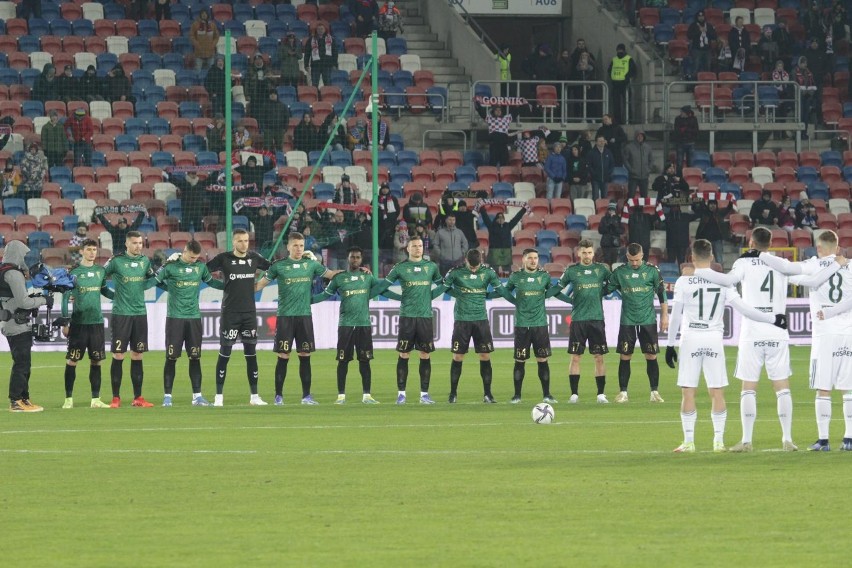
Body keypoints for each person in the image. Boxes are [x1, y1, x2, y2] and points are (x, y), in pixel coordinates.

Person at [693, 228, 841, 451]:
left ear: (751, 241)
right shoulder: (780, 262)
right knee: (782, 387)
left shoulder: (743, 263)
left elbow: (727, 280)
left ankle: (746, 440)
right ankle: (787, 438)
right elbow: (806, 279)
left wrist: (699, 271)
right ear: (771, 242)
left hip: (752, 331)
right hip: (777, 331)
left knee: (748, 387)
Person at [664, 239, 788, 453]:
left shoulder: (684, 281)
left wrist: (669, 345)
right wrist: (772, 319)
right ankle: (718, 442)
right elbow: (745, 309)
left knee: (688, 392)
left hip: (691, 338)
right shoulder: (724, 282)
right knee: (717, 391)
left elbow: (675, 317)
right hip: (713, 339)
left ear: (692, 257)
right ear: (712, 257)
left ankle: (688, 442)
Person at [756, 230, 851, 451]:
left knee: (823, 388)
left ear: (819, 248)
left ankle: (824, 440)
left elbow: (789, 270)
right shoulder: (850, 266)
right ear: (837, 248)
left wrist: (762, 255)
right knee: (849, 389)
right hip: (848, 334)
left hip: (824, 335)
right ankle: (849, 439)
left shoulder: (815, 264)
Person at [256, 233, 336, 405]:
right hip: (285, 317)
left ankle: (306, 396)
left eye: (301, 245)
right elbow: (259, 285)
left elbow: (331, 275)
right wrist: (238, 284)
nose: (299, 249)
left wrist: (356, 272)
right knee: (283, 356)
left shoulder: (311, 264)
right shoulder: (279, 266)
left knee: (305, 355)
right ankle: (278, 396)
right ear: (288, 247)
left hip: (304, 317)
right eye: (296, 246)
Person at [312, 246, 388, 404]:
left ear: (361, 260)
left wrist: (401, 297)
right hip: (346, 325)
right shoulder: (339, 278)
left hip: (363, 324)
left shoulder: (367, 277)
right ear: (348, 259)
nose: (355, 260)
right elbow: (325, 295)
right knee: (343, 361)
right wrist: (308, 301)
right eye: (352, 257)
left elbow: (381, 289)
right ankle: (341, 396)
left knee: (365, 361)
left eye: (358, 257)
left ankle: (367, 395)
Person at [373, 236, 443, 404]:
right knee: (404, 354)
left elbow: (443, 285)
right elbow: (382, 287)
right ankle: (401, 394)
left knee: (425, 354)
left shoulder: (431, 267)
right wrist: (398, 297)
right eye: (414, 246)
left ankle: (424, 394)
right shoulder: (400, 268)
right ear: (408, 249)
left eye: (420, 246)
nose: (418, 249)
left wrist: (429, 296)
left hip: (425, 317)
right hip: (407, 317)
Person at [206, 229, 272, 406]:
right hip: (230, 314)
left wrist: (262, 283)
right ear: (233, 242)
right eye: (240, 241)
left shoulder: (254, 258)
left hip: (249, 314)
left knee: (251, 355)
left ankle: (254, 396)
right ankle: (218, 397)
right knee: (225, 354)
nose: (244, 244)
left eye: (246, 240)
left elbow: (275, 267)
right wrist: (220, 285)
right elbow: (203, 271)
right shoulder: (224, 258)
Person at [155, 241, 223, 407]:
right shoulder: (170, 267)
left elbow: (212, 283)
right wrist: (170, 288)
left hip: (194, 318)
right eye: (192, 257)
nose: (194, 260)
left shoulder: (200, 267)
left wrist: (230, 286)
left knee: (195, 357)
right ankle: (167, 397)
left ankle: (197, 396)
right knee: (171, 357)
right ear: (184, 251)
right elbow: (156, 281)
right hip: (175, 318)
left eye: (196, 258)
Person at [442, 249, 511, 403]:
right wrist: (458, 294)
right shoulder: (455, 272)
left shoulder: (488, 272)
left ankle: (488, 394)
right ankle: (453, 394)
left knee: (485, 355)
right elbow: (444, 287)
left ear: (481, 260)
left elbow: (501, 290)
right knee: (458, 356)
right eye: (471, 266)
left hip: (481, 320)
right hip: (462, 320)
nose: (474, 269)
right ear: (465, 260)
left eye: (476, 266)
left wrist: (491, 296)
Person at [549, 239, 612, 403]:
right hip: (578, 320)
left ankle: (600, 394)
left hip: (597, 319)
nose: (587, 255)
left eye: (590, 252)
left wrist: (602, 292)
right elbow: (556, 289)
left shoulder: (601, 270)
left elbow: (614, 284)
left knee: (599, 357)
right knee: (576, 357)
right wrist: (568, 301)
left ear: (593, 253)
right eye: (584, 252)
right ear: (578, 253)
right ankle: (574, 394)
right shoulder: (571, 271)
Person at [607, 243, 668, 404]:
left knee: (651, 355)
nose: (634, 263)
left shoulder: (652, 271)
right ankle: (623, 393)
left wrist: (664, 316)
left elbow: (662, 294)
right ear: (626, 257)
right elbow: (605, 289)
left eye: (637, 260)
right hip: (628, 320)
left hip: (648, 320)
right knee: (625, 355)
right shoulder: (620, 272)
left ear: (642, 255)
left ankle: (654, 392)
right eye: (631, 260)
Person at [103, 231, 158, 408]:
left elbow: (152, 278)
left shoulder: (145, 262)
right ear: (127, 244)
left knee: (137, 354)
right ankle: (116, 398)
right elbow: (99, 278)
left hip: (140, 314)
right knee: (119, 355)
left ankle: (138, 397)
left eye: (140, 243)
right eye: (135, 243)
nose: (138, 246)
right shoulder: (116, 261)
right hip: (121, 314)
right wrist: (112, 295)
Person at [59, 239, 114, 408]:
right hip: (79, 323)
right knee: (72, 360)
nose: (92, 253)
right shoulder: (74, 273)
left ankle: (95, 399)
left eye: (94, 250)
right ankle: (68, 399)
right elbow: (66, 297)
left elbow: (104, 290)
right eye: (88, 249)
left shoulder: (100, 271)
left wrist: (120, 296)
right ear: (82, 251)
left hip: (96, 323)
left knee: (96, 361)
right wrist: (65, 322)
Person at [504, 248, 561, 404]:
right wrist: (516, 302)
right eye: (530, 258)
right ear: (523, 259)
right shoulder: (516, 277)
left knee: (542, 359)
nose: (533, 261)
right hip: (522, 325)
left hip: (540, 325)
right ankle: (517, 395)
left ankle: (547, 394)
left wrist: (568, 300)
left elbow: (553, 291)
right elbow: (505, 291)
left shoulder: (544, 276)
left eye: (536, 258)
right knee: (520, 360)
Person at [1, 241, 48, 412]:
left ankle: (24, 398)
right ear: (17, 254)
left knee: (23, 363)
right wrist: (43, 300)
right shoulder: (13, 274)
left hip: (11, 321)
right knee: (22, 363)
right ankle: (16, 400)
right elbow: (23, 301)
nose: (25, 258)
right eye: (24, 254)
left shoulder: (5, 272)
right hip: (17, 324)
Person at [480, 204, 527, 275]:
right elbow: (485, 217)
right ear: (496, 219)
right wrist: (482, 208)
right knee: (493, 273)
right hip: (494, 252)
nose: (501, 219)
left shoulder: (508, 226)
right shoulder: (491, 226)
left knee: (507, 273)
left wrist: (524, 210)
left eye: (502, 217)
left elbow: (516, 218)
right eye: (499, 217)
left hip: (506, 252)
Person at [694, 198, 732, 265]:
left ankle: (720, 273)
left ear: (716, 205)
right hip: (706, 241)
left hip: (717, 240)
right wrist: (695, 201)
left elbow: (729, 208)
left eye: (714, 204)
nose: (712, 206)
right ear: (708, 205)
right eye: (710, 204)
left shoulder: (720, 213)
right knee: (706, 258)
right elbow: (694, 208)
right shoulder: (704, 213)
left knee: (719, 258)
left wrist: (730, 199)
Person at [608, 43, 637, 125]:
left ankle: (629, 120)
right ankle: (617, 121)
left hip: (625, 85)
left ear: (624, 50)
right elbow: (609, 70)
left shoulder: (629, 59)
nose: (619, 51)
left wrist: (626, 77)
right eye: (618, 50)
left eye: (621, 50)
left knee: (627, 103)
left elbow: (633, 71)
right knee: (616, 105)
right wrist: (612, 77)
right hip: (615, 84)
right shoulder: (614, 59)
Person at [304, 22, 338, 88]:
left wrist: (335, 64)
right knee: (314, 83)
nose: (320, 30)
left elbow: (335, 53)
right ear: (316, 30)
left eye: (322, 29)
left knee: (327, 83)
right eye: (319, 29)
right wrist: (306, 65)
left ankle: (327, 97)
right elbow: (307, 53)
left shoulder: (331, 39)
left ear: (325, 30)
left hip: (327, 65)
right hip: (315, 65)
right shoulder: (311, 40)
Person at [622, 131, 654, 197]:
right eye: (638, 136)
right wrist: (631, 170)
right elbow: (625, 160)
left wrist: (648, 169)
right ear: (635, 137)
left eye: (641, 136)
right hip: (633, 177)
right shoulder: (629, 147)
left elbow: (651, 159)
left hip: (644, 176)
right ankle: (630, 207)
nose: (640, 137)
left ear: (644, 137)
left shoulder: (648, 147)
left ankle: (642, 207)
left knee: (644, 196)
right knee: (631, 195)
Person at [794, 55, 817, 139]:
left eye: (805, 63)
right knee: (800, 115)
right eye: (803, 63)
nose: (804, 65)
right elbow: (793, 84)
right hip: (798, 97)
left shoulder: (809, 72)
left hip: (807, 97)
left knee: (806, 116)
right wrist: (801, 91)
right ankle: (798, 133)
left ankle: (804, 133)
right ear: (799, 63)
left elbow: (812, 84)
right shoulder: (794, 72)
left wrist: (810, 92)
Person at [687, 10, 717, 75]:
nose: (701, 17)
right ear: (697, 17)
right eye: (699, 16)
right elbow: (689, 36)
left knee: (708, 68)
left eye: (702, 16)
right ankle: (694, 83)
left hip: (707, 50)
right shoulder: (693, 25)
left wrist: (707, 31)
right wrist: (698, 31)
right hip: (696, 50)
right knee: (696, 67)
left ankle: (707, 83)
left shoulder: (709, 26)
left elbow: (714, 36)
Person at [587, 135, 614, 201]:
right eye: (600, 141)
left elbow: (612, 164)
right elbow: (589, 166)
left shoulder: (608, 152)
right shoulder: (591, 153)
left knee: (604, 197)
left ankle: (603, 210)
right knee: (595, 197)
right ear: (596, 142)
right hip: (595, 179)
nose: (602, 142)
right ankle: (596, 210)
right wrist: (594, 174)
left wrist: (608, 173)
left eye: (603, 141)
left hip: (605, 179)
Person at [672, 106, 698, 174]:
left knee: (691, 162)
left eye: (682, 112)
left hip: (690, 142)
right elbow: (677, 131)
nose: (681, 113)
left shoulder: (693, 119)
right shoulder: (677, 119)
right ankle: (679, 177)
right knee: (679, 163)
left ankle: (690, 176)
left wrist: (685, 130)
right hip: (680, 142)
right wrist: (687, 130)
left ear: (686, 113)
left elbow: (696, 131)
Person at [598, 201, 623, 266]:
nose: (611, 211)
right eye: (610, 210)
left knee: (614, 261)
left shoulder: (618, 219)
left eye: (613, 210)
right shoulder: (604, 219)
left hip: (615, 243)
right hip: (606, 243)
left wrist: (615, 226)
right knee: (607, 261)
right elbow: (600, 230)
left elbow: (622, 230)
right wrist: (608, 226)